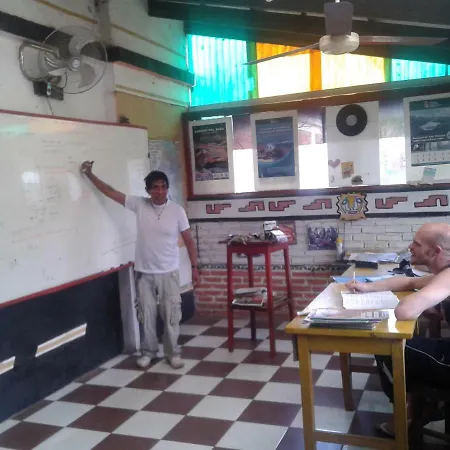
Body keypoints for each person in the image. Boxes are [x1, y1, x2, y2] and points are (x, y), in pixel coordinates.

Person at [80, 161, 200, 370]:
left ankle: (172, 353)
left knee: (171, 316)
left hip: (169, 272)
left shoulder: (177, 211)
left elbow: (189, 240)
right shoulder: (139, 205)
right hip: (144, 273)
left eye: (163, 187)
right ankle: (148, 352)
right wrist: (90, 175)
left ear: (167, 189)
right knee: (146, 315)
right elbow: (110, 192)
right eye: (155, 187)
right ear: (148, 190)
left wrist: (195, 268)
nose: (160, 191)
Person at [345, 222, 450, 436]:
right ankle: (418, 407)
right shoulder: (443, 274)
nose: (410, 247)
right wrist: (365, 287)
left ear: (435, 252)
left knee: (386, 345)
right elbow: (407, 283)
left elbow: (404, 311)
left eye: (417, 244)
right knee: (407, 347)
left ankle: (408, 413)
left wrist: (421, 303)